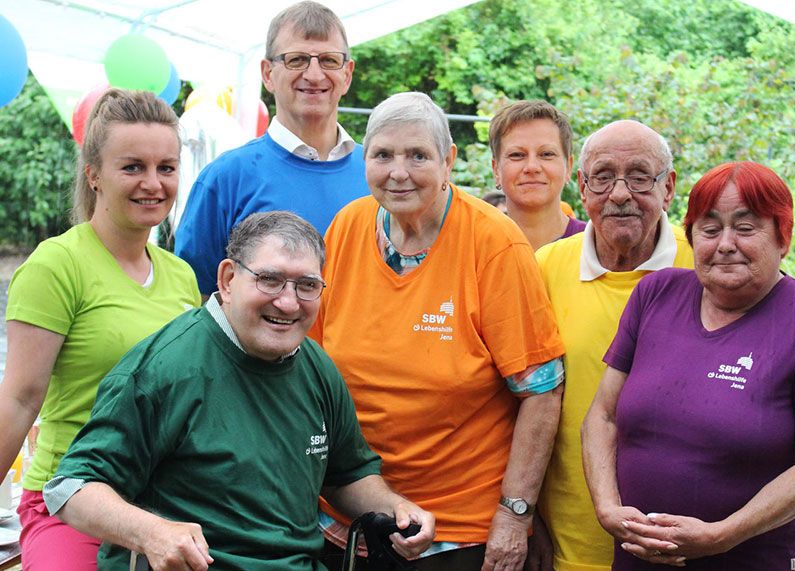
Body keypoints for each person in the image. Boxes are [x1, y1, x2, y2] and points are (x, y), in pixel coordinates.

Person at [43, 211, 435, 570]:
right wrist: (151, 533)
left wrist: (395, 508)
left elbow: (346, 474)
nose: (287, 301)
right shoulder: (165, 368)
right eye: (270, 279)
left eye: (307, 285)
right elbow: (71, 488)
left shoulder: (316, 367)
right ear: (228, 279)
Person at [312, 92, 566, 571]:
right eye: (382, 155)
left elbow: (542, 391)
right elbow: (311, 364)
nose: (398, 171)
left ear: (448, 159)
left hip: (456, 533)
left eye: (417, 155)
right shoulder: (346, 227)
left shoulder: (495, 244)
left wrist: (514, 517)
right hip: (350, 519)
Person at [0, 89, 201, 570]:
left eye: (166, 168)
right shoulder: (57, 265)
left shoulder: (182, 276)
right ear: (94, 175)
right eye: (132, 167)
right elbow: (20, 398)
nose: (153, 184)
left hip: (165, 507)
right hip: (70, 503)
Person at [582, 161, 795, 570]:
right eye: (710, 228)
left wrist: (722, 535)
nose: (725, 244)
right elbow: (602, 417)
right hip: (637, 557)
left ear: (783, 237)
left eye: (746, 228)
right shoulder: (655, 294)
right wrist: (608, 508)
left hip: (752, 559)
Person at [534, 120, 695, 571]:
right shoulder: (543, 269)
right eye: (603, 177)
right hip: (568, 545)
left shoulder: (706, 267)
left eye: (640, 176)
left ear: (669, 188)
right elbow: (508, 404)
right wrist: (525, 518)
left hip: (684, 545)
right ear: (582, 187)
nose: (620, 194)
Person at [175, 1, 369, 296]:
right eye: (296, 59)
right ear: (267, 74)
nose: (315, 75)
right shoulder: (225, 178)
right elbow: (193, 299)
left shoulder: (378, 173)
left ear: (347, 74)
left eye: (329, 60)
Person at [489, 100, 586, 251]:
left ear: (568, 167)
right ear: (496, 170)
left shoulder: (596, 248)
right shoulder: (475, 247)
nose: (532, 167)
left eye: (546, 154)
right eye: (517, 155)